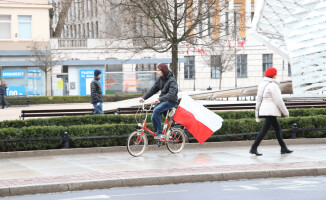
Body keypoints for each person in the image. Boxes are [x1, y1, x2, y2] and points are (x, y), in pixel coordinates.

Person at [250, 67, 293, 156]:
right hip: (271, 111)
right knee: (264, 130)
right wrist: (286, 112)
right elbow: (279, 101)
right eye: (276, 74)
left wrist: (257, 113)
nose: (276, 76)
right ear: (274, 75)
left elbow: (258, 99)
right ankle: (253, 148)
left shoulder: (262, 84)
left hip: (264, 110)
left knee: (277, 128)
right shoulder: (273, 86)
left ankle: (283, 147)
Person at [139, 63, 178, 139]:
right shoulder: (159, 79)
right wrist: (144, 98)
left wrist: (159, 99)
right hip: (163, 101)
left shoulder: (172, 80)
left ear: (163, 71)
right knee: (153, 116)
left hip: (171, 101)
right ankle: (158, 133)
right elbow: (153, 90)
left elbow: (171, 94)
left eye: (158, 70)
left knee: (156, 110)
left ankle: (160, 133)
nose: (157, 72)